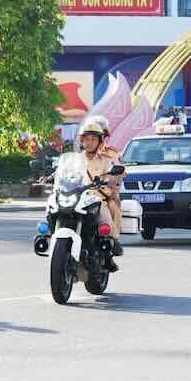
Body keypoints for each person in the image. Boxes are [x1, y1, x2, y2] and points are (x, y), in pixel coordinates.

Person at [77, 116, 124, 271]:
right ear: (82, 140)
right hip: (77, 197)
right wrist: (50, 176)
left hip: (98, 197)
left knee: (105, 213)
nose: (89, 142)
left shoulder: (107, 158)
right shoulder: (76, 158)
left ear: (100, 139)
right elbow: (65, 171)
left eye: (93, 138)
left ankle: (110, 245)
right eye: (86, 139)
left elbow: (117, 170)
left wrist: (112, 179)